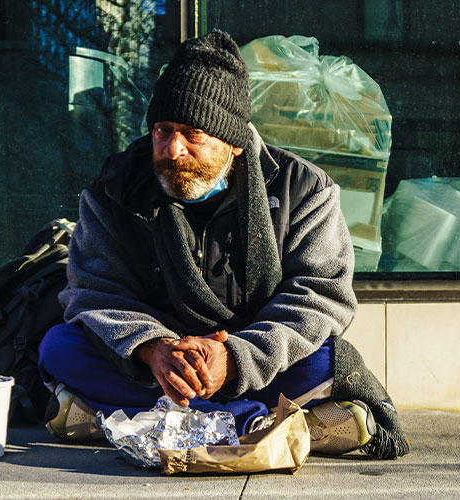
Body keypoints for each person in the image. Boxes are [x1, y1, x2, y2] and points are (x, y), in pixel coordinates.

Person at [38, 30, 409, 459]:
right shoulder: (115, 189)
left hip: (253, 359)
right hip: (156, 367)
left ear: (233, 142)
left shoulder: (303, 188)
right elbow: (93, 290)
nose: (172, 149)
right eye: (163, 130)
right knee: (60, 347)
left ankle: (122, 418)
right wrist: (151, 348)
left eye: (192, 133)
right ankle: (259, 422)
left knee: (327, 359)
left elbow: (320, 296)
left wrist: (234, 358)